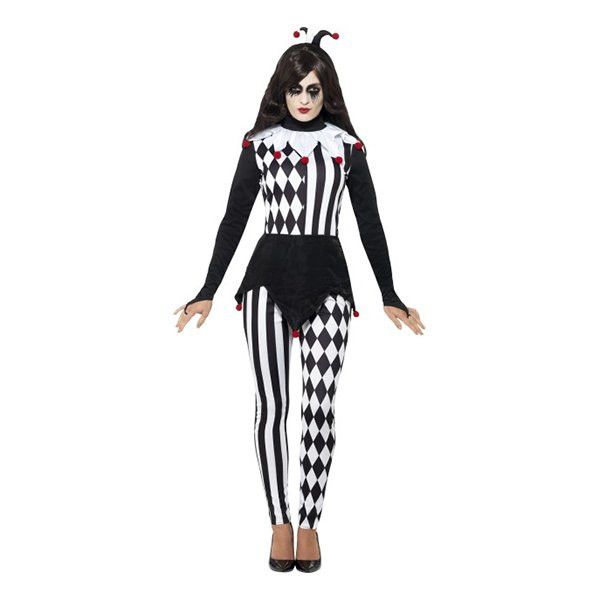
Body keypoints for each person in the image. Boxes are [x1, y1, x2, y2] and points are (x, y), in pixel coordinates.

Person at [174, 27, 425, 573]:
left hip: (329, 283)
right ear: (281, 91)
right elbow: (234, 219)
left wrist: (389, 292)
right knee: (272, 406)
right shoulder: (260, 145)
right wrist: (207, 290)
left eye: (314, 89)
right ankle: (279, 523)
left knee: (319, 407)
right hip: (265, 283)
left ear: (326, 91)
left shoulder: (346, 148)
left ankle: (309, 522)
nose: (305, 99)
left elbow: (370, 223)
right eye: (295, 90)